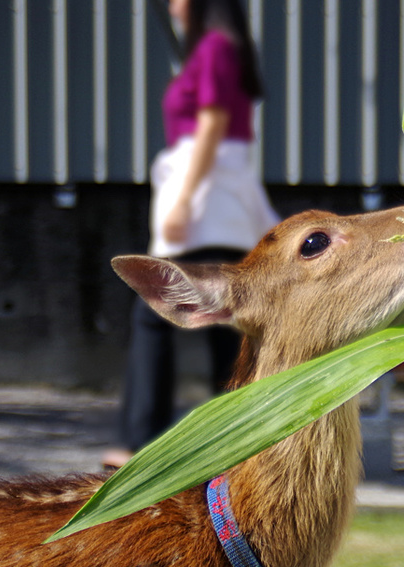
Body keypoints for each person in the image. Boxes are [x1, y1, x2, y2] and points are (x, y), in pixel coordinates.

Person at [105, 0, 276, 469]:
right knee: (223, 322)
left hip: (209, 193)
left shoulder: (217, 48)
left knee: (159, 312)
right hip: (214, 191)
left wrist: (184, 199)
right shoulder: (216, 50)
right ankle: (238, 433)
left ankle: (143, 441)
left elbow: (213, 125)